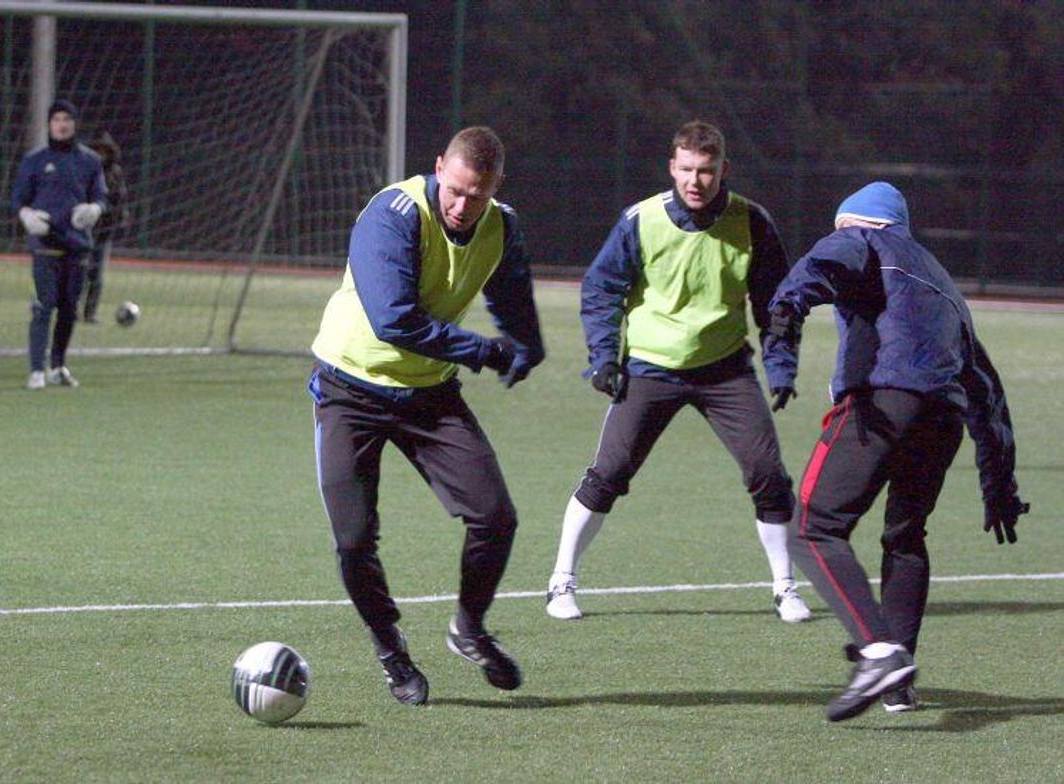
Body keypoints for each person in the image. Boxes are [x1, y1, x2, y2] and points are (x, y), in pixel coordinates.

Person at [762, 181, 1029, 721]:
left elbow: (818, 268)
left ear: (865, 221)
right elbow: (987, 390)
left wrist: (787, 313)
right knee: (905, 537)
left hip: (886, 403)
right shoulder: (944, 283)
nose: (840, 233)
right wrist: (999, 483)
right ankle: (899, 688)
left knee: (812, 528)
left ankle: (879, 652)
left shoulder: (865, 238)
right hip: (943, 419)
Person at [309, 126, 545, 706]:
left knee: (496, 517)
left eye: (477, 196)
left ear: (496, 188)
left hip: (428, 395)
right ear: (439, 166)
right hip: (350, 389)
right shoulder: (392, 215)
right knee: (355, 538)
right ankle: (391, 650)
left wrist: (526, 344)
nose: (463, 206)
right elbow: (395, 320)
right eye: (456, 190)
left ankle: (468, 628)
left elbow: (511, 288)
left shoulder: (501, 224)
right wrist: (484, 350)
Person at [545, 120, 810, 623]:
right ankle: (561, 582)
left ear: (723, 170)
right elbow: (602, 289)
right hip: (651, 368)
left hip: (726, 371)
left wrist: (781, 367)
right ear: (672, 167)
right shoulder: (640, 220)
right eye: (686, 169)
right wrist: (604, 357)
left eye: (706, 171)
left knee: (768, 475)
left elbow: (777, 303)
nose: (696, 181)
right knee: (610, 472)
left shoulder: (752, 222)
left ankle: (784, 587)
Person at [12, 98, 106, 389]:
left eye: (67, 119)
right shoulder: (35, 160)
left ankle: (58, 366)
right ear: (49, 124)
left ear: (74, 124)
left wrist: (95, 210)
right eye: (57, 119)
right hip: (45, 244)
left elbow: (101, 196)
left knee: (68, 309)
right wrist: (26, 215)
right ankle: (36, 370)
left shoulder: (90, 161)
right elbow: (18, 198)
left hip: (77, 245)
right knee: (44, 305)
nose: (62, 124)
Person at [81, 130, 129, 323]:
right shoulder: (85, 171)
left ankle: (90, 313)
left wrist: (121, 217)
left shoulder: (115, 173)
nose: (101, 154)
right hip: (85, 228)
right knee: (81, 271)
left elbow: (120, 198)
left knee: (97, 274)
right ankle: (70, 309)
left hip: (104, 230)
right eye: (97, 149)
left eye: (104, 150)